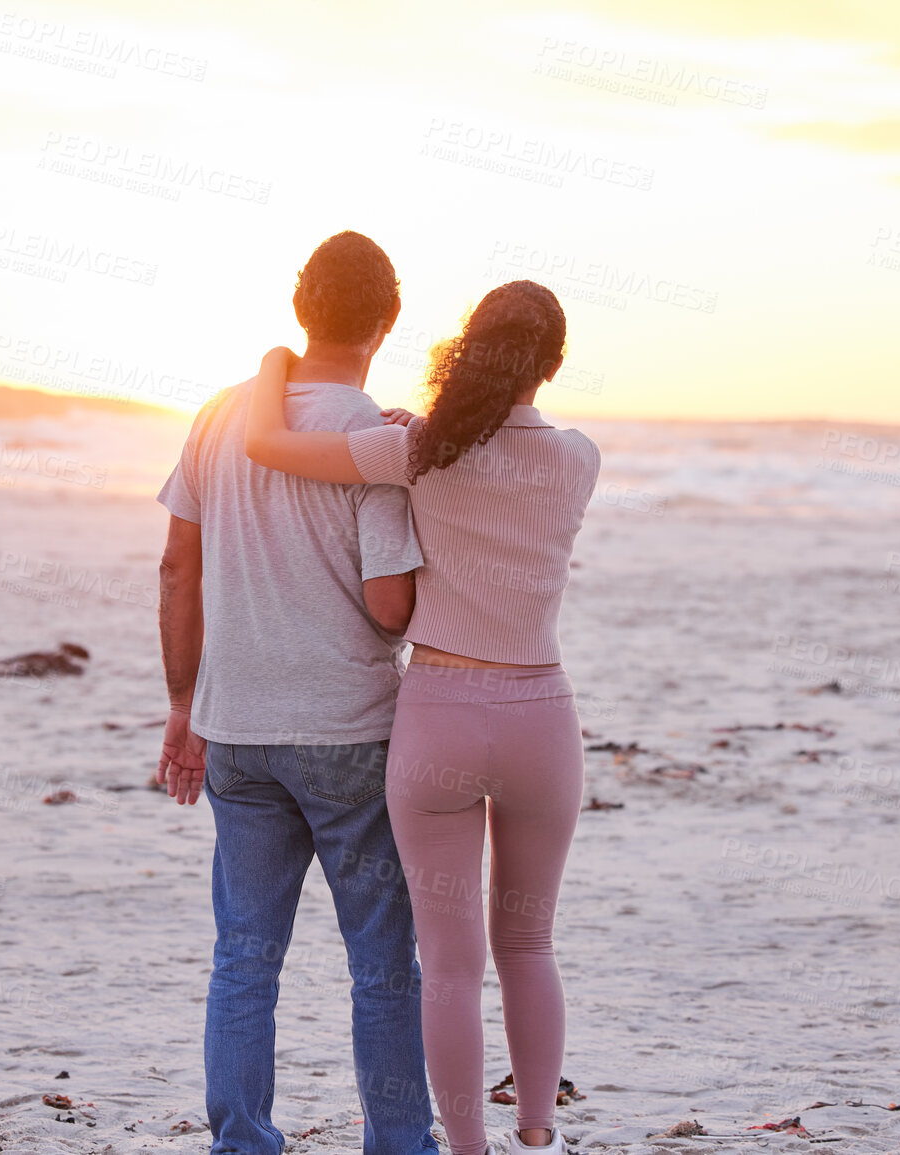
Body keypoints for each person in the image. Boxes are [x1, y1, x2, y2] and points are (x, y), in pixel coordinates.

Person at [243, 280, 600, 1155]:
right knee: (528, 942)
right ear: (552, 364)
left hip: (438, 714)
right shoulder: (581, 456)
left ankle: (467, 1145)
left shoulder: (416, 454)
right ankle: (537, 1129)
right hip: (539, 721)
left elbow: (265, 443)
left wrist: (270, 366)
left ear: (466, 351)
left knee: (447, 962)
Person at [154, 230, 441, 1155]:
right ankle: (399, 1143)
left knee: (243, 960)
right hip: (348, 734)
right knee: (381, 968)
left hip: (234, 728)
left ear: (298, 308)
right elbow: (389, 607)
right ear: (387, 319)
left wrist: (179, 706)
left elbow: (175, 569)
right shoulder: (374, 439)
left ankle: (241, 1142)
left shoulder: (220, 415)